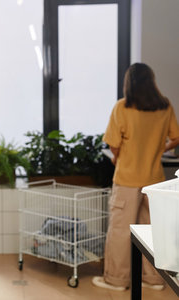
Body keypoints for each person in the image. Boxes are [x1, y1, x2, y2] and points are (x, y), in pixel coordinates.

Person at [92, 63, 179, 291]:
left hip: (127, 180)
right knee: (152, 229)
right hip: (155, 180)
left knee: (121, 230)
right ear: (152, 81)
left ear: (129, 83)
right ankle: (154, 280)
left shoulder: (122, 107)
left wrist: (117, 158)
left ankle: (117, 280)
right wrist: (159, 149)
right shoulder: (164, 106)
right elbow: (176, 137)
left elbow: (114, 144)